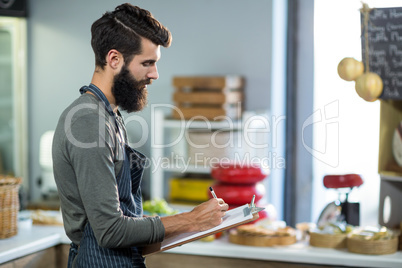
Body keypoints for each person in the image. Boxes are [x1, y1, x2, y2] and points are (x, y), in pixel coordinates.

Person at [52, 3, 228, 268]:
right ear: (114, 59)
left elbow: (123, 222)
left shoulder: (109, 116)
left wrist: (186, 227)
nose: (154, 74)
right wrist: (190, 219)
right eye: (147, 63)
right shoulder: (88, 122)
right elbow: (110, 230)